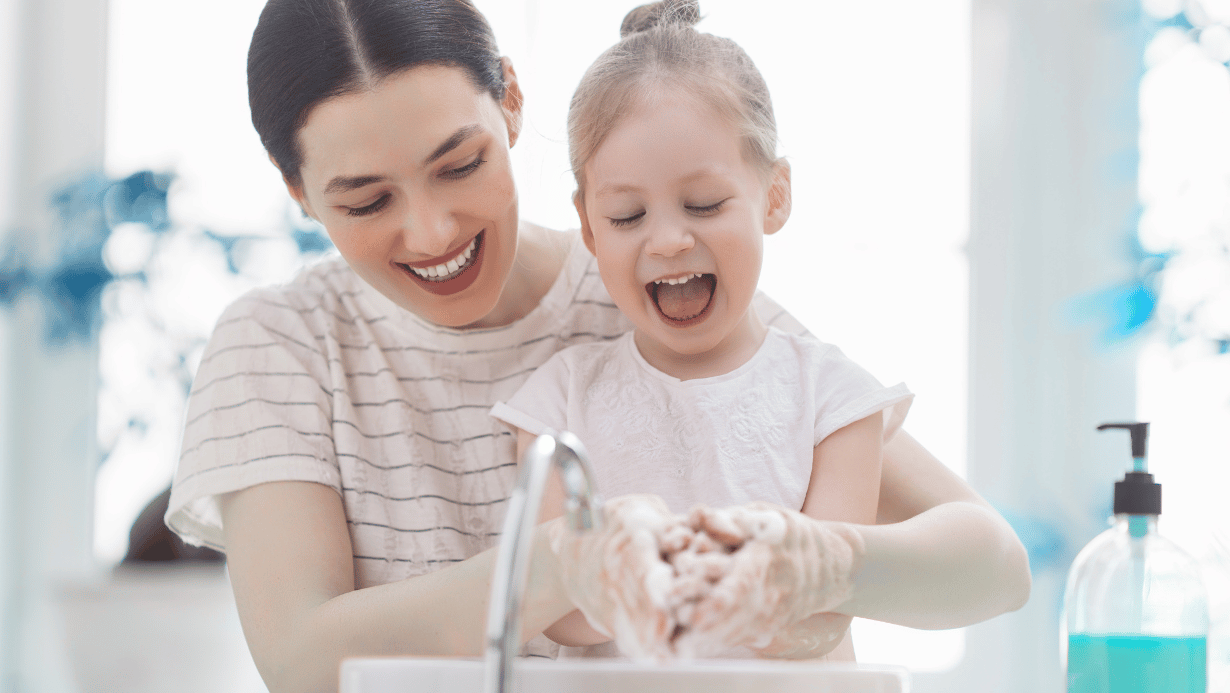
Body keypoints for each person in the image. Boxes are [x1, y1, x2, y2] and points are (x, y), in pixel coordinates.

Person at [163, 1, 1031, 691]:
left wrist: (828, 562)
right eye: (365, 201)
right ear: (297, 191)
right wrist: (561, 569)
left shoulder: (650, 288)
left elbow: (989, 566)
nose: (431, 231)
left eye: (459, 165)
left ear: (509, 99)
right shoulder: (281, 345)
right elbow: (302, 661)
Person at [490, 0, 912, 660]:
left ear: (773, 196)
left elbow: (824, 617)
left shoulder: (835, 400)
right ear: (590, 227)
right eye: (627, 215)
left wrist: (729, 577)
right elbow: (555, 617)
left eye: (705, 204)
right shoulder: (556, 402)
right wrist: (614, 568)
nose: (668, 239)